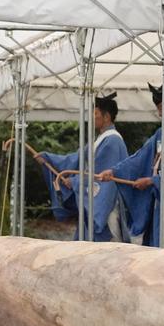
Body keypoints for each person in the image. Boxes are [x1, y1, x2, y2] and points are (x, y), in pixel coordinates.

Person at [99, 83, 164, 250]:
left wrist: (152, 181)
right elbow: (141, 156)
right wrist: (115, 171)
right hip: (159, 202)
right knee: (158, 249)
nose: (160, 113)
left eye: (162, 108)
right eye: (158, 108)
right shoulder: (162, 133)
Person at [35, 92, 128, 241]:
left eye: (95, 114)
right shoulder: (100, 140)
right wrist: (48, 158)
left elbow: (102, 177)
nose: (92, 117)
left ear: (106, 117)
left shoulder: (112, 142)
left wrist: (75, 182)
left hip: (106, 207)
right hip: (94, 203)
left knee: (108, 249)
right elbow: (75, 158)